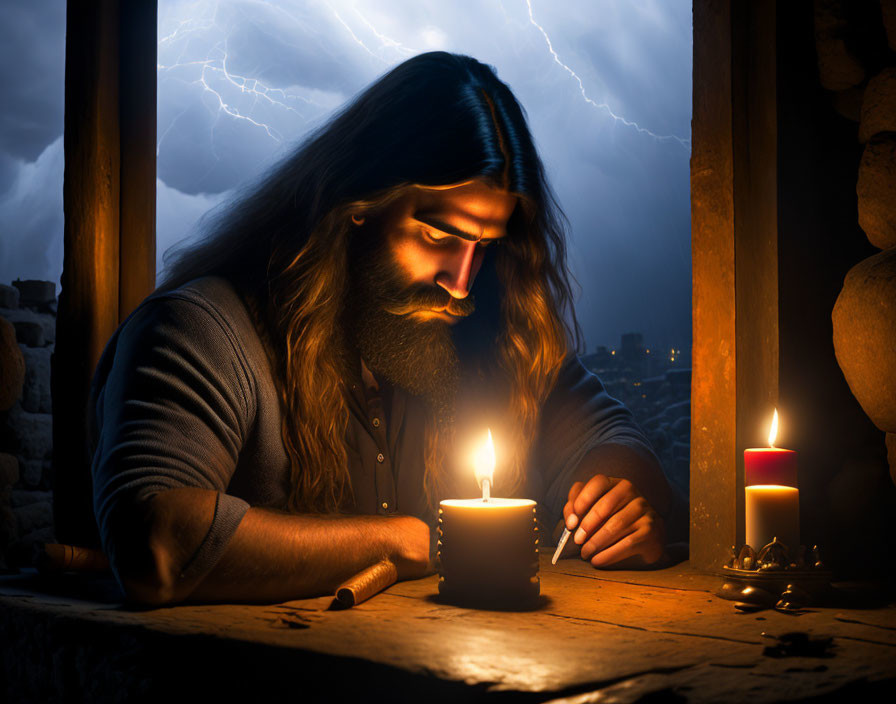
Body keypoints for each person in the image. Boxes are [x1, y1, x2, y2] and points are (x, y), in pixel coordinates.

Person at [88, 52, 685, 605]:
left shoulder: (491, 334)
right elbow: (153, 539)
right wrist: (399, 540)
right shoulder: (202, 331)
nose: (461, 282)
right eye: (439, 236)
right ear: (358, 206)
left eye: (485, 247)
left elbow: (614, 439)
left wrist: (622, 500)